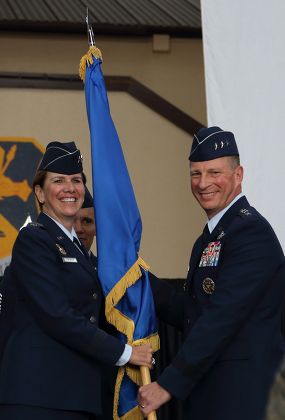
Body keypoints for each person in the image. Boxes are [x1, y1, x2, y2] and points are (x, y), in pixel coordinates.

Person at [138, 126, 285, 420]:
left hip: (244, 400)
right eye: (196, 173)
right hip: (214, 397)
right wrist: (137, 279)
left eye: (214, 172)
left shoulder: (250, 232)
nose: (203, 183)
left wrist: (168, 383)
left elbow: (221, 319)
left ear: (238, 174)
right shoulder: (212, 237)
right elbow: (193, 312)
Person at [0, 141, 153, 420]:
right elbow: (57, 315)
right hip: (38, 399)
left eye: (76, 180)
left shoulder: (82, 252)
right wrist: (125, 353)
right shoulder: (34, 240)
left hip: (78, 397)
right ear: (40, 193)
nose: (70, 188)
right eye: (58, 181)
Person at [73, 187, 117, 420]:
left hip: (102, 394)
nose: (80, 229)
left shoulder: (112, 275)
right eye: (74, 221)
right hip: (62, 391)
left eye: (87, 221)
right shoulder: (46, 268)